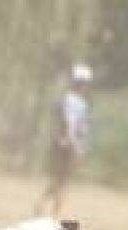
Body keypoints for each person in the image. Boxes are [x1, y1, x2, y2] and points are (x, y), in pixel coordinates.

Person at [36, 63, 92, 216]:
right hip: (68, 144)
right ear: (81, 83)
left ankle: (44, 205)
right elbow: (70, 122)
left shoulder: (66, 99)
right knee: (64, 180)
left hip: (63, 142)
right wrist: (73, 143)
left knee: (59, 178)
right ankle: (54, 213)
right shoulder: (76, 102)